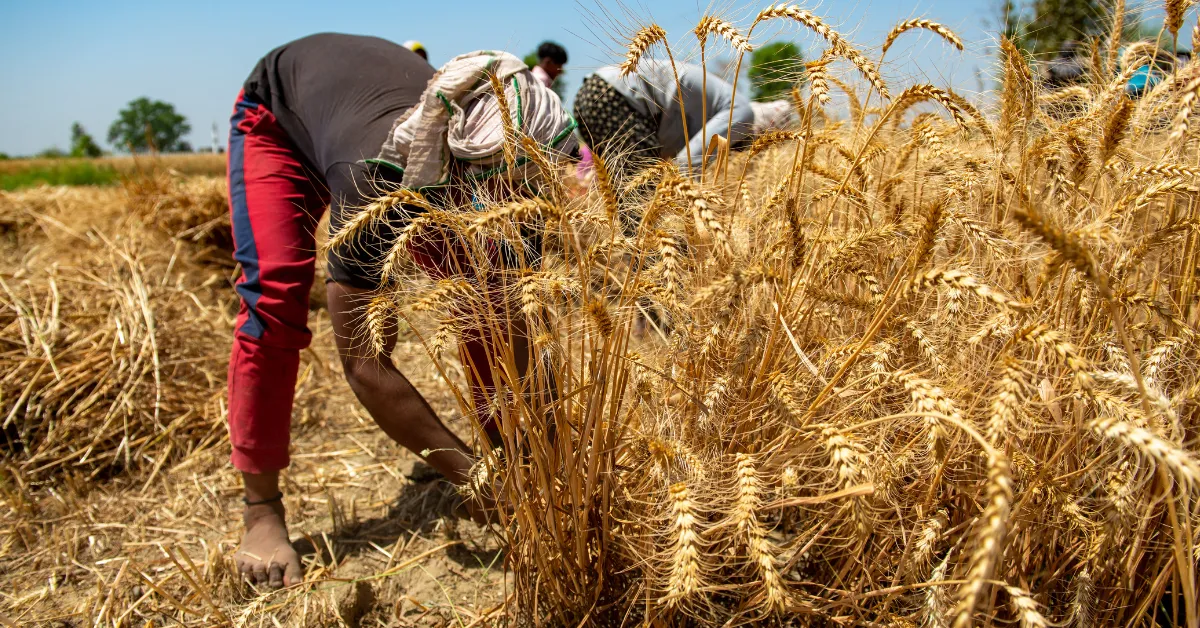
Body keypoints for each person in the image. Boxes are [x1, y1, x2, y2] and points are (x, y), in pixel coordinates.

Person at [226, 34, 576, 589]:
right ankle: (261, 510)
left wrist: (541, 462)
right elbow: (366, 365)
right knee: (276, 291)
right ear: (459, 171)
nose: (510, 203)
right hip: (280, 116)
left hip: (370, 122)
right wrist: (478, 484)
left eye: (521, 188)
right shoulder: (381, 177)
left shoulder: (507, 170)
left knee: (487, 296)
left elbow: (509, 323)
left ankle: (510, 453)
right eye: (496, 193)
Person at [573, 61, 754, 179]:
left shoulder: (721, 108)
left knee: (627, 195)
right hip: (613, 96)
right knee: (642, 196)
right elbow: (688, 163)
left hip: (592, 95)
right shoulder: (741, 114)